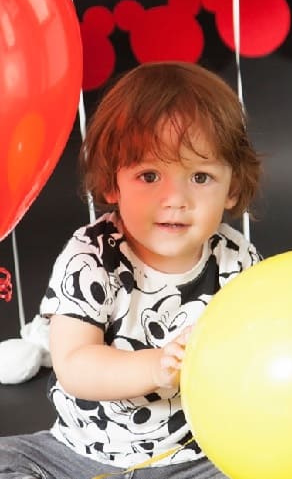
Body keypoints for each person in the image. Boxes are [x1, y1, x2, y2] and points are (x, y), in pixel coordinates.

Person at [0, 62, 261, 478]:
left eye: (200, 176)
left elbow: (259, 349)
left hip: (195, 455)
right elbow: (75, 364)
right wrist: (156, 367)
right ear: (111, 183)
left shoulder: (236, 258)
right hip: (80, 453)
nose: (175, 199)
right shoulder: (91, 256)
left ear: (231, 187)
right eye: (150, 175)